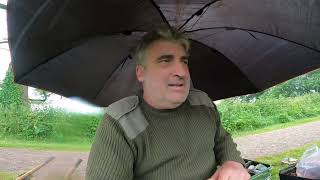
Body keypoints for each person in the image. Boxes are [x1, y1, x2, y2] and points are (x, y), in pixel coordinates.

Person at [86, 28, 250, 180]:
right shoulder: (121, 122)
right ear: (141, 73)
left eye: (184, 61)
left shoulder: (202, 103)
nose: (181, 72)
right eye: (165, 60)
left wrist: (233, 162)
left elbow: (222, 140)